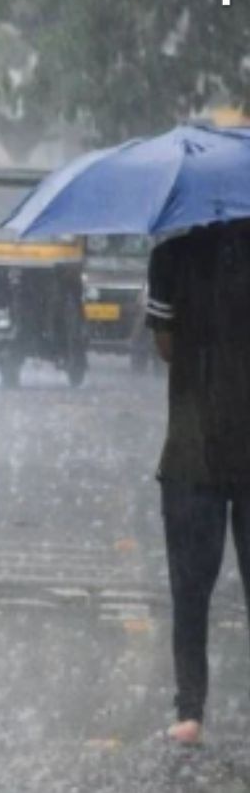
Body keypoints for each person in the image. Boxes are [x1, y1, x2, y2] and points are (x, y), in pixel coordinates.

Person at [145, 217, 250, 745]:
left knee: (191, 592)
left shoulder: (171, 257)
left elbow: (165, 347)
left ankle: (190, 713)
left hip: (194, 448)